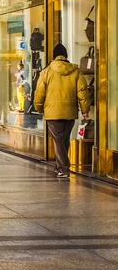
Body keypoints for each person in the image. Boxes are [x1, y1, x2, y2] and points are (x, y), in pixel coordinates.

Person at [33, 43, 90, 179]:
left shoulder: (46, 71)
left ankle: (64, 168)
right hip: (70, 111)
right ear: (66, 56)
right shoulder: (75, 71)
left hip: (52, 112)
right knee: (64, 140)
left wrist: (39, 107)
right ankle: (59, 166)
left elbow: (39, 92)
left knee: (58, 140)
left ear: (54, 56)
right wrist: (85, 109)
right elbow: (82, 92)